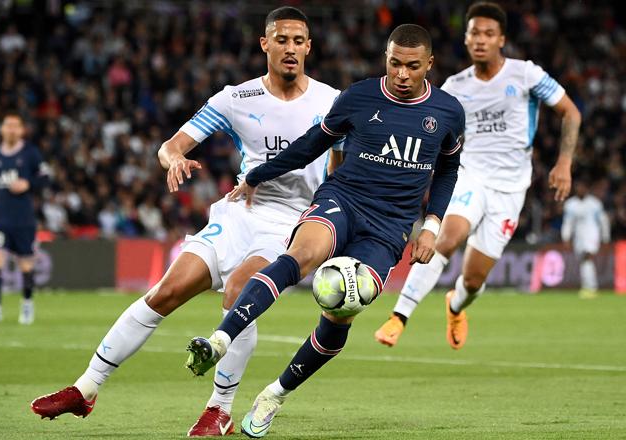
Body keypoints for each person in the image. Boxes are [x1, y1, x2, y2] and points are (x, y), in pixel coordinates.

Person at [30, 7, 343, 437]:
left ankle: (220, 409)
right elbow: (171, 144)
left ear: (309, 47)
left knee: (239, 293)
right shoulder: (236, 98)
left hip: (290, 222)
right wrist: (174, 157)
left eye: (298, 41)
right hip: (239, 213)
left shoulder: (332, 101)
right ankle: (85, 389)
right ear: (264, 44)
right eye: (281, 39)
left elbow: (342, 171)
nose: (290, 48)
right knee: (165, 292)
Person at [184, 24, 465, 437]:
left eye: (412, 67)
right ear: (385, 58)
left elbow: (448, 169)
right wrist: (258, 174)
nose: (402, 74)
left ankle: (275, 394)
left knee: (340, 311)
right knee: (300, 256)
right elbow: (310, 144)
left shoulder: (448, 111)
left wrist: (432, 226)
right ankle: (220, 340)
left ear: (429, 65)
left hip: (388, 229)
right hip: (343, 200)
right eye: (394, 64)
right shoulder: (359, 97)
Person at [374, 1, 581, 350]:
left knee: (473, 279)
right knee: (446, 238)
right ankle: (399, 316)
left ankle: (456, 305)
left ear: (501, 39)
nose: (481, 40)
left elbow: (570, 113)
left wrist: (564, 163)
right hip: (471, 176)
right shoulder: (456, 87)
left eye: (488, 33)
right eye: (474, 34)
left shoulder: (526, 74)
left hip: (511, 189)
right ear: (466, 40)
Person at [0, 112, 47, 325]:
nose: (11, 129)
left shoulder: (30, 153)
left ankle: (27, 305)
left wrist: (28, 184)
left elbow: (45, 177)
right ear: (2, 129)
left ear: (21, 130)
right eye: (8, 125)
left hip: (23, 220)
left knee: (26, 266)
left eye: (15, 126)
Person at [561, 178, 610, 299]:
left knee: (587, 258)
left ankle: (590, 287)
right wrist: (566, 237)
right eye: (578, 187)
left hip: (592, 235)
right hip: (579, 237)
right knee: (584, 261)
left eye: (582, 187)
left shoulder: (595, 203)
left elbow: (603, 221)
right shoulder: (570, 204)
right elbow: (568, 223)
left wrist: (605, 237)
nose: (580, 189)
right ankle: (588, 287)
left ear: (587, 189)